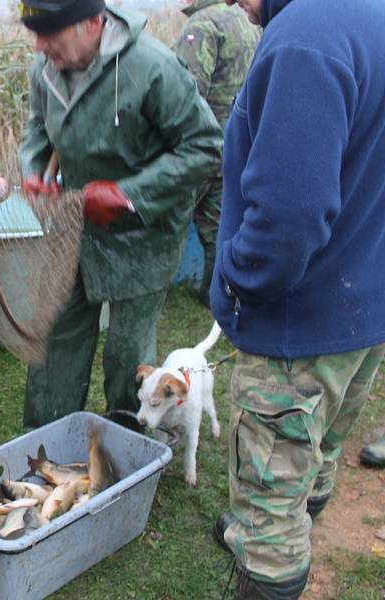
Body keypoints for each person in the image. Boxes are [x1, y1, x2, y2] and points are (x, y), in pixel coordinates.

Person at [209, 0, 385, 597]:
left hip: (297, 325)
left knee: (268, 521)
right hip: (361, 308)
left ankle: (272, 541)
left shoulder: (305, 37)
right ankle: (292, 516)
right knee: (322, 443)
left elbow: (289, 217)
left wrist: (237, 279)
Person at [18, 0, 223, 429]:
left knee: (127, 354)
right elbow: (38, 126)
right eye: (35, 33)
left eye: (51, 32)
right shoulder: (46, 69)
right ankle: (45, 442)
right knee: (57, 337)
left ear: (94, 22)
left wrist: (128, 194)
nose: (39, 46)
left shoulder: (152, 67)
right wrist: (34, 167)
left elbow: (205, 146)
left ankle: (128, 451)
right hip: (76, 225)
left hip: (143, 234)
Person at [171, 0, 259, 307]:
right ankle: (216, 289)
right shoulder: (249, 22)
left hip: (200, 144)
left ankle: (150, 293)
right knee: (219, 223)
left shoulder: (204, 24)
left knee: (171, 216)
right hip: (236, 142)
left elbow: (185, 91)